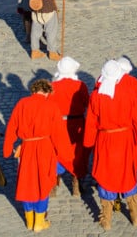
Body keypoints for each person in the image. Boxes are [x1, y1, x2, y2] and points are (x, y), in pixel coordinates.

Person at [3, 78, 71, 232]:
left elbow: (12, 127)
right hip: (45, 148)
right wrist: (67, 154)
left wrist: (7, 149)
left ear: (33, 90)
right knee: (43, 182)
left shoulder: (22, 104)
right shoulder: (51, 106)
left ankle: (29, 220)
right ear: (47, 92)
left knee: (27, 183)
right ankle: (39, 223)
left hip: (27, 148)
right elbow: (59, 133)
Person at [84, 59, 137, 230]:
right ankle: (135, 213)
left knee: (106, 175)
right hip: (125, 139)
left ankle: (107, 218)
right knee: (127, 174)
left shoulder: (95, 96)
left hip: (105, 141)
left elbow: (91, 123)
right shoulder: (128, 94)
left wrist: (88, 143)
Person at [49, 56, 90, 196]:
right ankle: (77, 184)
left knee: (56, 152)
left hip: (58, 124)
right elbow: (86, 103)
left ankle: (53, 183)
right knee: (77, 154)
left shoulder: (52, 86)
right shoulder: (80, 86)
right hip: (77, 123)